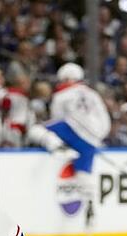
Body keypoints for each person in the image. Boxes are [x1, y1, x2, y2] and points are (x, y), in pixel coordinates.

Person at [28, 63, 110, 224]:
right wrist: (96, 139)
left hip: (72, 133)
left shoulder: (61, 95)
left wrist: (68, 137)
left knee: (36, 129)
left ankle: (58, 147)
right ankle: (90, 203)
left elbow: (57, 119)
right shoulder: (93, 94)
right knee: (84, 174)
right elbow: (104, 120)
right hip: (92, 141)